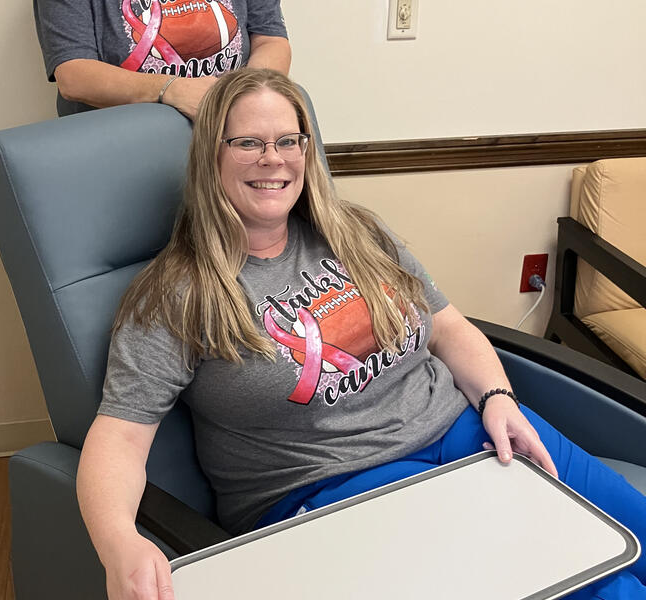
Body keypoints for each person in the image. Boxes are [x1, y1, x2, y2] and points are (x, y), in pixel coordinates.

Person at [77, 68, 646, 600]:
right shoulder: (176, 294)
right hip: (332, 487)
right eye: (247, 142)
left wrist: (498, 398)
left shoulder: (356, 232)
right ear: (211, 157)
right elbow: (121, 438)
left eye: (288, 141)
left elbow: (445, 325)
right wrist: (117, 543)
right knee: (598, 582)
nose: (272, 159)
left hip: (465, 430)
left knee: (631, 532)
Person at [34, 0, 290, 118]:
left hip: (229, 132)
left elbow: (271, 40)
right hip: (121, 145)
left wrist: (245, 100)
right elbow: (74, 75)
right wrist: (172, 89)